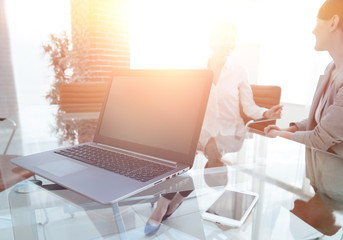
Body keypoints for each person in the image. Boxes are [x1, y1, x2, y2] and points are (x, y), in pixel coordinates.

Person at [264, 0, 343, 202]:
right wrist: (291, 129)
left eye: (317, 22)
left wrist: (279, 135)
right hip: (320, 179)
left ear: (333, 22)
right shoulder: (330, 69)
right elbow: (322, 120)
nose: (313, 30)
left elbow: (319, 138)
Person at [199, 21, 283, 167]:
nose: (230, 43)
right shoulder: (198, 72)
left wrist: (266, 113)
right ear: (213, 40)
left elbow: (248, 107)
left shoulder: (239, 71)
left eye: (232, 39)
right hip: (204, 133)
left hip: (232, 134)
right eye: (225, 38)